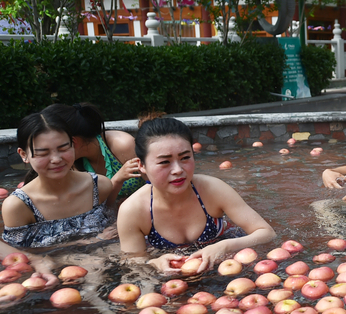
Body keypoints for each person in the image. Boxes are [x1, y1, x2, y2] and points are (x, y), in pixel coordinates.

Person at [117, 116, 276, 274]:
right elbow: (132, 262)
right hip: (172, 277)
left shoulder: (213, 190)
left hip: (224, 266)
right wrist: (152, 263)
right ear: (142, 165)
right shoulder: (133, 210)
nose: (178, 169)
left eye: (185, 158)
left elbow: (266, 233)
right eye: (165, 162)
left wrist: (226, 246)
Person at [2, 105, 114, 250]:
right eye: (43, 153)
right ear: (24, 155)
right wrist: (89, 242)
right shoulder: (18, 206)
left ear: (73, 145)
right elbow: (21, 254)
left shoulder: (99, 186)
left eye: (63, 148)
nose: (56, 159)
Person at [63, 102, 143, 202]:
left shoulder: (123, 145)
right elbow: (90, 205)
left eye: (59, 146)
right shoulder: (75, 163)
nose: (54, 156)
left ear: (74, 141)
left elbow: (156, 184)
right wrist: (116, 180)